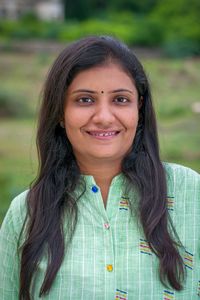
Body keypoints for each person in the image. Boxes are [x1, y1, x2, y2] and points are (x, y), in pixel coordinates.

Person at [0, 36, 199, 300]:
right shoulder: (27, 212)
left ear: (139, 108)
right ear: (60, 112)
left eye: (120, 99)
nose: (104, 117)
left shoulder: (191, 194)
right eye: (84, 100)